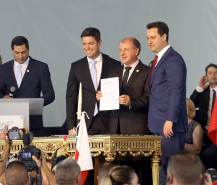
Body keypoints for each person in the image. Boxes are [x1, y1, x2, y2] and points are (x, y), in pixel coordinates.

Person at [96, 37, 152, 185]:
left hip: (137, 131)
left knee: (138, 173)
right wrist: (101, 97)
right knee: (118, 174)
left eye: (126, 49)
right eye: (120, 50)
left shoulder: (147, 71)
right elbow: (109, 98)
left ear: (136, 51)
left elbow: (149, 97)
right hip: (116, 130)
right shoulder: (115, 71)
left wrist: (131, 102)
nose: (122, 53)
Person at [0, 36, 55, 136]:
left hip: (33, 122)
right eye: (17, 53)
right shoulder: (4, 68)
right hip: (9, 122)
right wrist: (3, 98)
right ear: (12, 50)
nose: (21, 56)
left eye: (24, 52)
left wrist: (34, 104)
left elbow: (50, 95)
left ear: (28, 49)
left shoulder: (41, 67)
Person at [146, 21, 187, 172]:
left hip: (170, 127)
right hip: (159, 125)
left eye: (153, 37)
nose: (149, 41)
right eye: (148, 38)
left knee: (174, 171)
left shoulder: (172, 59)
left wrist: (169, 120)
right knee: (165, 170)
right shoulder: (158, 60)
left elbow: (175, 91)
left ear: (164, 37)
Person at [66, 27, 120, 135]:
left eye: (90, 43)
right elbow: (71, 98)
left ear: (99, 42)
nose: (87, 47)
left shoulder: (114, 64)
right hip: (84, 122)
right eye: (84, 44)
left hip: (109, 121)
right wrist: (71, 126)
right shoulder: (76, 67)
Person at [190, 63, 217, 170]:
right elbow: (190, 107)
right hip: (203, 131)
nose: (213, 75)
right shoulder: (202, 92)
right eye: (210, 73)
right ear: (206, 76)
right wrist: (199, 88)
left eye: (216, 73)